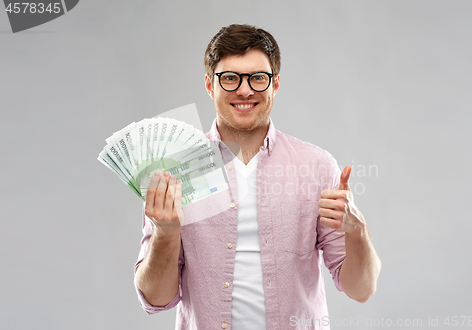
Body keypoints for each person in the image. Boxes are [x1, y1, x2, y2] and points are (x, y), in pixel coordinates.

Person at [134, 24, 381, 330]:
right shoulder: (175, 170)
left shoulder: (316, 166)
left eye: (258, 78)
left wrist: (357, 231)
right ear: (210, 86)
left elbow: (362, 289)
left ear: (275, 84)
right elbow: (156, 299)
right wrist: (165, 233)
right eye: (230, 78)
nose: (245, 90)